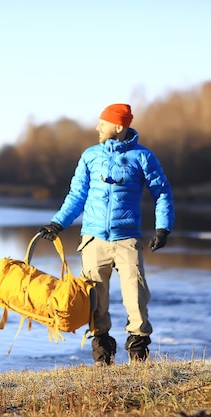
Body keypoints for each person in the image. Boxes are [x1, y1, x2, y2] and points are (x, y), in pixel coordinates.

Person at [38, 103, 174, 365]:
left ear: (119, 127)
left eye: (103, 123)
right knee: (95, 302)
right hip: (93, 239)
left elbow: (162, 193)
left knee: (136, 297)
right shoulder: (90, 156)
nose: (98, 127)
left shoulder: (143, 157)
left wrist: (163, 227)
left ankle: (138, 357)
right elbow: (76, 195)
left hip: (127, 239)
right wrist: (57, 224)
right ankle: (102, 358)